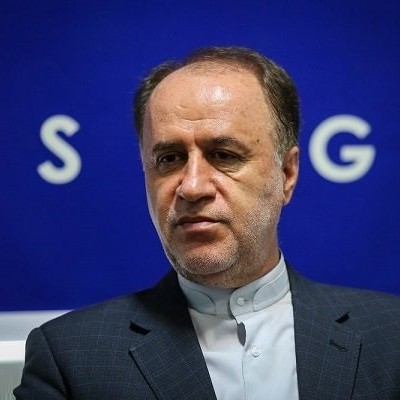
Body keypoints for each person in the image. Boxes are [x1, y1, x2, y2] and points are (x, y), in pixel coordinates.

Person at [14, 46, 400, 400]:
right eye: (169, 159)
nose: (192, 187)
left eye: (224, 154)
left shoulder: (390, 336)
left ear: (287, 174)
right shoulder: (71, 359)